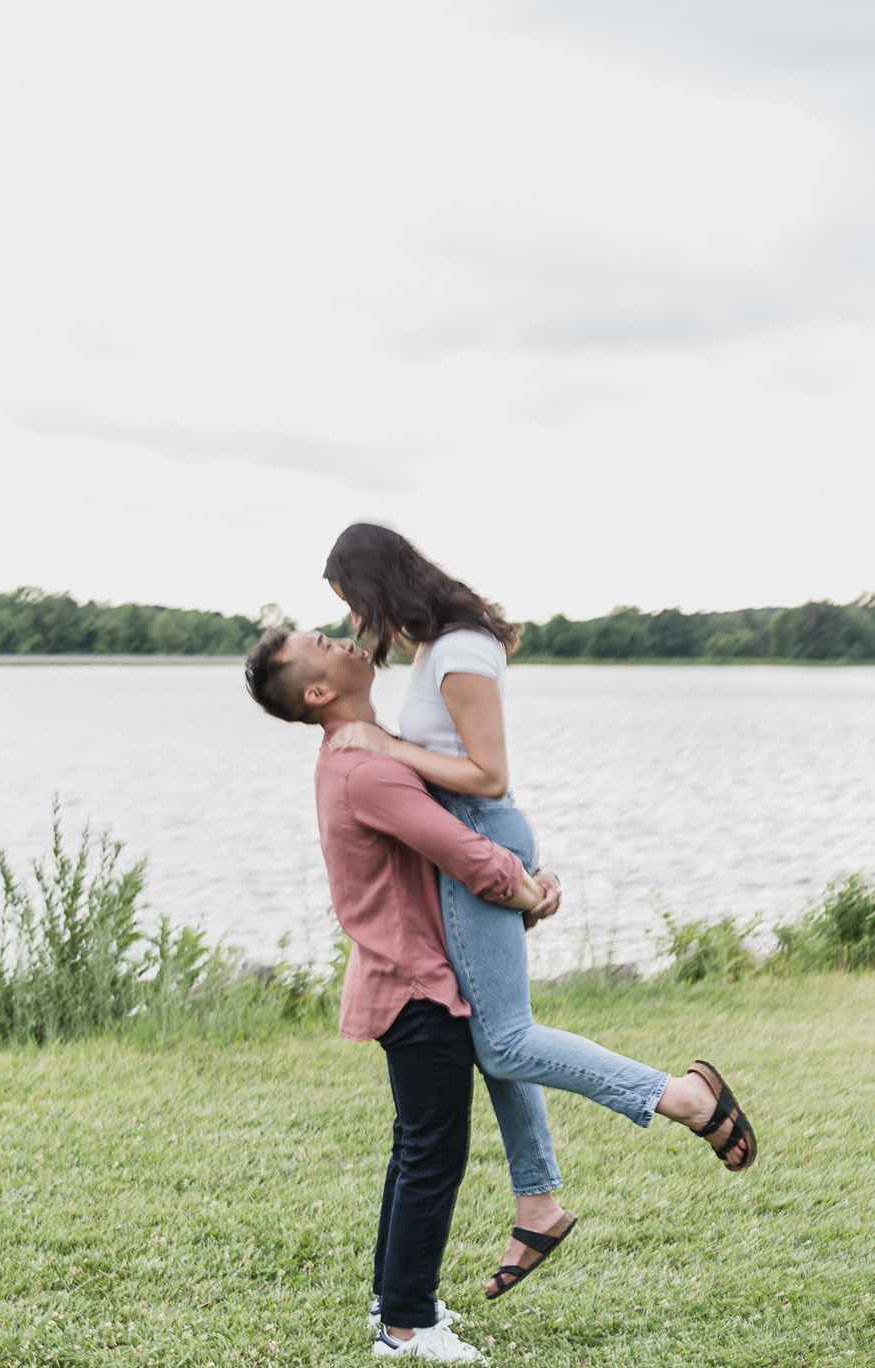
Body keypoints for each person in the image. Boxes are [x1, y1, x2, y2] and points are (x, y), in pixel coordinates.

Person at [323, 523, 757, 1299]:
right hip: (467, 841)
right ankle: (538, 1203)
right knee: (495, 1033)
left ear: (378, 584)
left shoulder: (458, 649)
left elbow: (488, 775)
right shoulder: (436, 646)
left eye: (354, 603)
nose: (357, 622)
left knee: (506, 1040)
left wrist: (387, 752)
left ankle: (687, 1098)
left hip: (477, 832)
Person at [245, 626, 562, 1362]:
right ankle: (407, 1327)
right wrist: (530, 894)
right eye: (322, 641)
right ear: (318, 692)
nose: (344, 638)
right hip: (416, 984)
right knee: (432, 1154)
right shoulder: (367, 769)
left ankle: (397, 1306)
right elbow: (467, 854)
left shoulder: (363, 751)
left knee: (416, 1149)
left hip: (404, 976)